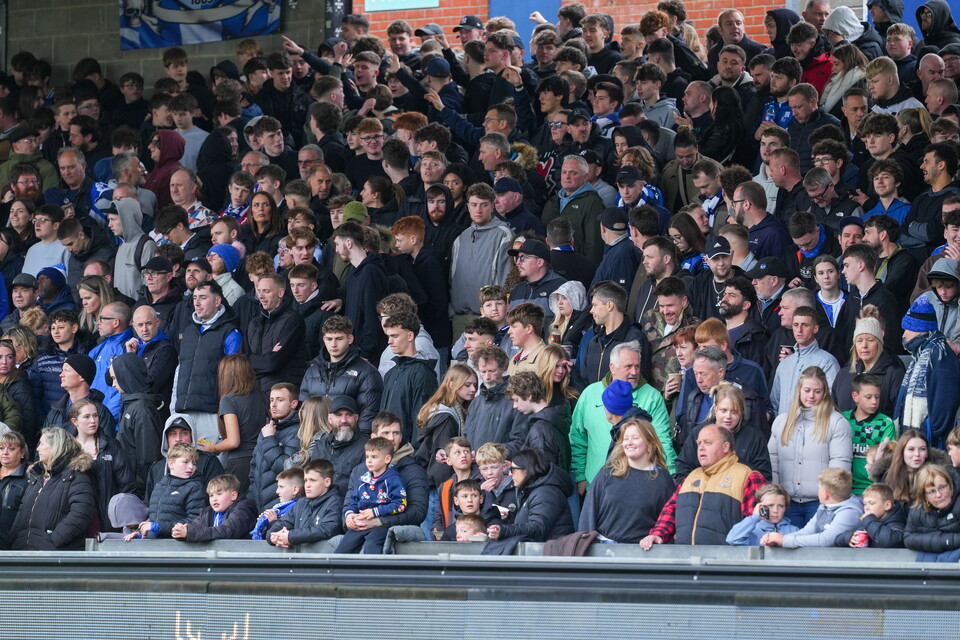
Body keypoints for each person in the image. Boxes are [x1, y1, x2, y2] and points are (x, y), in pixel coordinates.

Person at [571, 340, 674, 492]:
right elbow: (577, 439)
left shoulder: (652, 397)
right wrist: (579, 476)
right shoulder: (590, 394)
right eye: (628, 366)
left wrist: (671, 474)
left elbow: (662, 441)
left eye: (637, 366)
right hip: (595, 485)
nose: (634, 372)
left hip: (635, 488)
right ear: (612, 367)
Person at [642, 424, 766, 548]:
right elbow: (670, 510)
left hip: (728, 559)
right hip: (685, 557)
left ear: (725, 447)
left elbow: (759, 527)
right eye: (699, 443)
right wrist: (658, 535)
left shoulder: (748, 476)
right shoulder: (690, 478)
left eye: (707, 443)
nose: (701, 448)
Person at [769, 366, 853, 526]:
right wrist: (775, 495)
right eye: (807, 390)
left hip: (820, 503)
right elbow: (773, 462)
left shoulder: (837, 422)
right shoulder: (781, 421)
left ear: (825, 392)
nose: (811, 396)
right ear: (799, 390)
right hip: (786, 502)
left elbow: (839, 467)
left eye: (817, 391)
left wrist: (830, 501)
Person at [579, 418, 676, 543]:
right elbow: (588, 514)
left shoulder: (662, 480)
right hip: (603, 549)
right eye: (626, 439)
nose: (629, 442)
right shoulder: (607, 473)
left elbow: (668, 524)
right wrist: (585, 544)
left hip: (643, 551)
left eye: (635, 438)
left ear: (650, 443)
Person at [11, 427, 95, 550]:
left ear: (56, 447)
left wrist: (54, 540)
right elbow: (21, 513)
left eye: (42, 444)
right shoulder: (36, 476)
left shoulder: (75, 477)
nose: (38, 448)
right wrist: (14, 540)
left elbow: (81, 514)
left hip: (54, 554)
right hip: (24, 551)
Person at [300, 316, 383, 436]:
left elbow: (368, 416)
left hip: (347, 440)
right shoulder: (312, 370)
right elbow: (303, 409)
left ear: (350, 339)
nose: (333, 344)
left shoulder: (367, 372)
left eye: (339, 339)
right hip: (311, 438)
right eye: (329, 339)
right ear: (323, 339)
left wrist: (359, 443)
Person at [895, 296, 960, 448]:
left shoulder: (940, 354)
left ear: (919, 330)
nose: (903, 335)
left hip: (931, 444)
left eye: (907, 329)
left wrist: (929, 431)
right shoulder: (923, 353)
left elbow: (945, 403)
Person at [675, 381, 772, 483]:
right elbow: (683, 468)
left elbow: (763, 476)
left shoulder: (754, 437)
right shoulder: (699, 433)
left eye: (734, 412)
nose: (728, 416)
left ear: (742, 412)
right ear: (715, 409)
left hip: (740, 490)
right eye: (723, 410)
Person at [70, 398, 134, 531]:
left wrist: (121, 516)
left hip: (109, 519)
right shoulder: (67, 448)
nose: (93, 421)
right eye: (86, 417)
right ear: (74, 421)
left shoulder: (112, 445)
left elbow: (126, 485)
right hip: (76, 517)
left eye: (95, 415)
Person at [486, 447, 574, 543]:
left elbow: (538, 528)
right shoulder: (531, 490)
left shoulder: (546, 493)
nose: (510, 474)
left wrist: (505, 531)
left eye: (513, 469)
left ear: (527, 469)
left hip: (550, 550)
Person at [336, 437, 407, 554]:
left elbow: (400, 505)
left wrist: (375, 512)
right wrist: (350, 515)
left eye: (374, 457)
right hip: (361, 523)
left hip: (382, 525)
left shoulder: (394, 480)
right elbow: (354, 502)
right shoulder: (363, 480)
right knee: (343, 548)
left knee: (371, 545)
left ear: (387, 459)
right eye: (367, 457)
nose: (369, 461)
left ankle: (373, 567)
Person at [205, 355, 264, 493]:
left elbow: (233, 441)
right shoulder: (260, 395)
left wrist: (213, 448)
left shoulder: (228, 400)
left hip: (240, 463)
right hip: (261, 458)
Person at [831, 307, 904, 417]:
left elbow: (899, 414)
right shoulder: (843, 374)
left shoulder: (894, 374)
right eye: (859, 340)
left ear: (879, 343)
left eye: (870, 340)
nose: (864, 345)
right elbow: (833, 411)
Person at [760, 467, 861, 548]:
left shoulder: (849, 512)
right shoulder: (823, 507)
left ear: (825, 494)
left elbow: (825, 540)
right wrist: (777, 539)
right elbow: (807, 532)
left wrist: (784, 540)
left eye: (819, 489)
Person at [244, 273, 307, 395]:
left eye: (266, 291)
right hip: (254, 394)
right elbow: (240, 362)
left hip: (282, 396)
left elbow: (272, 363)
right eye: (259, 291)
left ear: (280, 293)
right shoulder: (254, 323)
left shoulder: (293, 321)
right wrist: (266, 358)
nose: (261, 296)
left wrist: (251, 361)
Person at [770, 306, 840, 414]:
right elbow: (774, 403)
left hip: (815, 424)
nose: (799, 330)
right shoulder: (784, 364)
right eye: (795, 325)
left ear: (815, 328)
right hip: (784, 423)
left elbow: (831, 402)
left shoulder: (827, 362)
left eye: (805, 325)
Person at [108, 353, 161, 498]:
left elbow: (148, 457)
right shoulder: (132, 405)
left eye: (114, 378)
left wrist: (140, 492)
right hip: (129, 486)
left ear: (125, 376)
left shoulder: (142, 409)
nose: (113, 384)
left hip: (137, 492)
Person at [248, 383, 301, 511]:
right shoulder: (267, 430)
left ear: (294, 404)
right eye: (272, 400)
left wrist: (269, 439)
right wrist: (251, 497)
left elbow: (285, 468)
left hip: (281, 506)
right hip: (258, 505)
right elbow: (253, 468)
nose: (273, 404)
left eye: (280, 400)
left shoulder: (299, 431)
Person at [843, 373, 898, 496]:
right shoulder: (843, 419)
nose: (874, 402)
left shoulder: (885, 423)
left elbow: (889, 460)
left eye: (877, 397)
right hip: (844, 489)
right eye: (868, 397)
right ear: (855, 396)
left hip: (873, 489)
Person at [268, 458, 343, 548]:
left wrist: (290, 536)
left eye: (312, 480)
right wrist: (273, 537)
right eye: (306, 480)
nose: (307, 485)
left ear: (327, 482)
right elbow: (282, 523)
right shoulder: (301, 503)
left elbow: (327, 529)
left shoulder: (335, 502)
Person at [172, 474, 257, 542]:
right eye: (211, 495)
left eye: (219, 494)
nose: (214, 499)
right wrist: (180, 531)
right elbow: (194, 527)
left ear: (233, 495)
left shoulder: (244, 509)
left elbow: (226, 531)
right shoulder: (207, 512)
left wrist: (189, 533)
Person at [904, 465, 960, 561]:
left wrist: (944, 541)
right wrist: (944, 541)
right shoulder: (918, 510)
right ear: (924, 495)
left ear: (950, 486)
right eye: (931, 491)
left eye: (942, 487)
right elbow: (908, 538)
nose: (938, 495)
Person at [834, 482, 907, 548]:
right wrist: (848, 538)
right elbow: (837, 539)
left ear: (887, 505)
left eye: (871, 503)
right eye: (865, 504)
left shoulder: (896, 524)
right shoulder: (869, 521)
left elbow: (890, 541)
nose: (866, 507)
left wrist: (869, 521)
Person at [726, 483, 800, 545]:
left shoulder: (793, 531)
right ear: (760, 507)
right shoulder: (753, 531)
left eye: (780, 506)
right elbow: (732, 539)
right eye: (770, 505)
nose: (775, 510)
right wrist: (754, 517)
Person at [249, 467, 303, 541]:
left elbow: (291, 533)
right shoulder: (279, 508)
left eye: (281, 487)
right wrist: (264, 524)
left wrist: (273, 522)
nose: (277, 491)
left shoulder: (299, 508)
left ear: (295, 490)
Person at [0, 431, 28, 549]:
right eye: (1, 448)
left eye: (11, 449)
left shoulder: (30, 478)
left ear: (22, 453)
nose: (5, 452)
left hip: (13, 544)